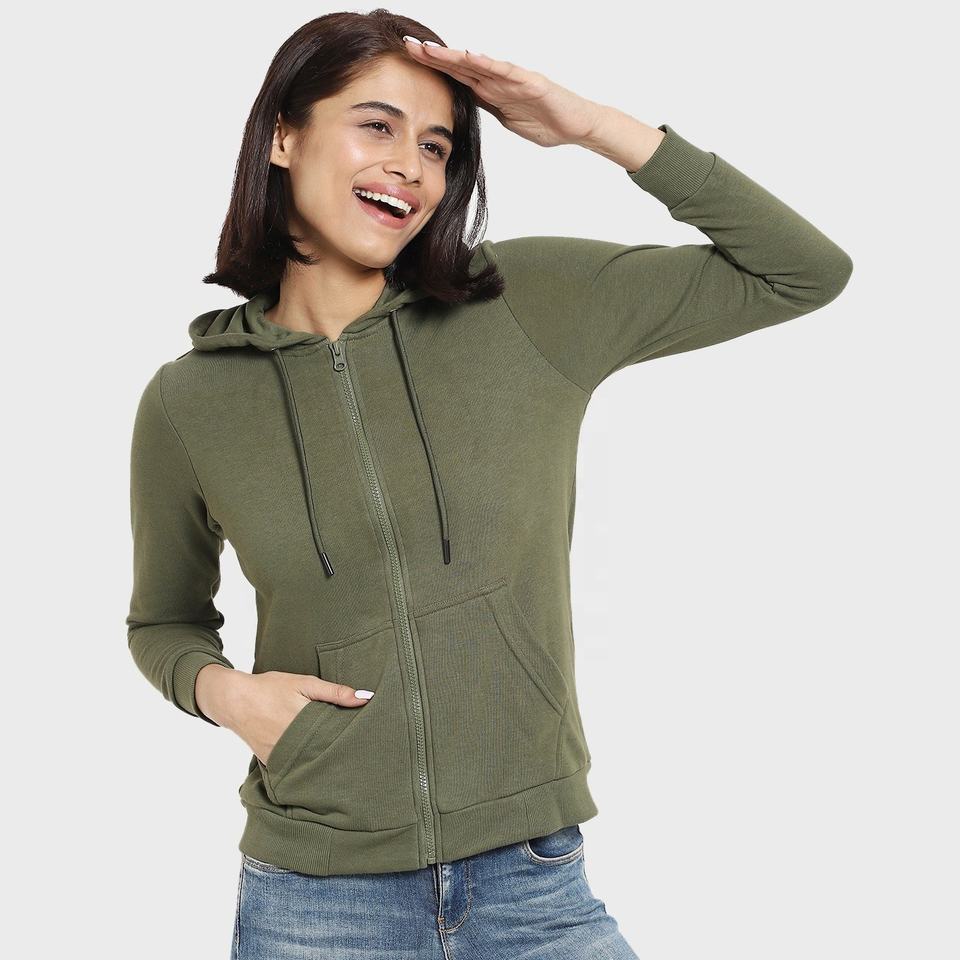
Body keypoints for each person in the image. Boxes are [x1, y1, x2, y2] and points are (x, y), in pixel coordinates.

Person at [125, 10, 853, 959]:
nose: (411, 166)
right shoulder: (189, 401)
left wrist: (592, 125)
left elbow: (802, 271)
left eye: (437, 146)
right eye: (377, 126)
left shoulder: (524, 302)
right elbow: (163, 624)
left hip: (532, 883)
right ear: (284, 136)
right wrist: (228, 695)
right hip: (315, 902)